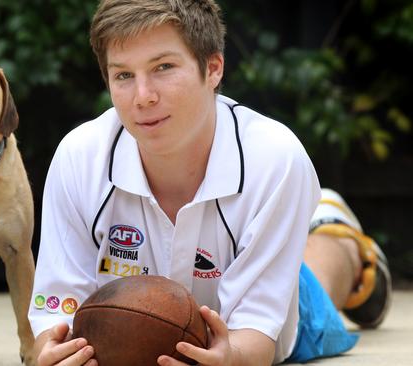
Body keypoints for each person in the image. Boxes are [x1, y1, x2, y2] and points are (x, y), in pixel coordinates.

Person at [28, 0, 392, 365]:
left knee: (313, 284)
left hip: (251, 314)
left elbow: (257, 338)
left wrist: (229, 357)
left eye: (164, 67)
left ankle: (338, 234)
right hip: (147, 308)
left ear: (214, 68)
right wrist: (58, 352)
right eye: (123, 75)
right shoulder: (79, 158)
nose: (143, 97)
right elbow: (57, 311)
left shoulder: (274, 159)